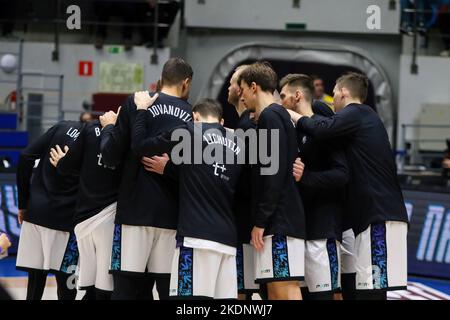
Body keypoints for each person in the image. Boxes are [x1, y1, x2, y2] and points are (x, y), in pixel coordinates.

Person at [288, 72, 408, 300]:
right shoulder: (360, 121)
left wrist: (293, 115)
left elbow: (323, 129)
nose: (333, 98)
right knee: (366, 290)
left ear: (344, 92)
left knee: (372, 291)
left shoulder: (358, 112)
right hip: (373, 217)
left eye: (334, 92)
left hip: (379, 214)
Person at [99, 57, 193, 300]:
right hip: (172, 215)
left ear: (160, 79)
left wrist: (109, 128)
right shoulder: (192, 115)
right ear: (186, 83)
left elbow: (110, 155)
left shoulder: (136, 101)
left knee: (125, 288)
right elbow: (195, 170)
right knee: (167, 290)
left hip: (134, 211)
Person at [131, 97, 243, 299]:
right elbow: (209, 174)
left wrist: (140, 110)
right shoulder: (240, 143)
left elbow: (140, 146)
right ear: (222, 122)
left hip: (195, 238)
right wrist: (170, 169)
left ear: (194, 117)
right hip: (228, 241)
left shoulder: (188, 131)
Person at [238, 62, 305, 300]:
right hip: (281, 217)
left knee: (284, 287)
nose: (241, 95)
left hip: (280, 219)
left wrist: (261, 219)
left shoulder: (270, 116)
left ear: (254, 87)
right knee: (276, 290)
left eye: (243, 89)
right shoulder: (274, 115)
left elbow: (273, 174)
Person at [279, 74, 349, 300]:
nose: (280, 102)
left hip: (322, 230)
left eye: (283, 96)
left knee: (324, 296)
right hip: (297, 232)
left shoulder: (325, 130)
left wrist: (306, 177)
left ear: (297, 95)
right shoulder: (289, 132)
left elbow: (341, 175)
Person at [49, 118, 122, 300]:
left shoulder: (90, 130)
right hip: (109, 217)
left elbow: (67, 166)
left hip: (82, 220)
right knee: (105, 285)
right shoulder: (127, 138)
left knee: (89, 283)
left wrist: (62, 163)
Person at [16, 121, 83, 300]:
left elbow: (25, 156)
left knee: (35, 281)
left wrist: (23, 203)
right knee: (67, 284)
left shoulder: (60, 127)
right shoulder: (95, 139)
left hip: (37, 213)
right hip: (67, 218)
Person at [227, 64, 260, 300]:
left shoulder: (249, 127)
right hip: (247, 220)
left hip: (246, 222)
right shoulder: (243, 126)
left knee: (242, 290)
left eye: (231, 82)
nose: (228, 86)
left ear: (241, 90)